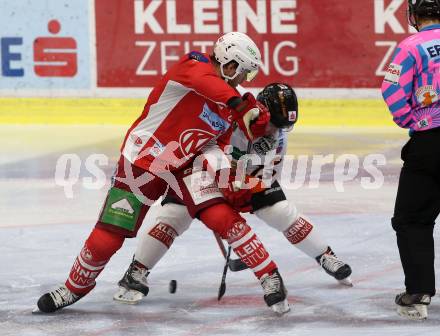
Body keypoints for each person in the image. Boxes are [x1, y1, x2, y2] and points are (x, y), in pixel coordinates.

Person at [36, 32, 280, 313]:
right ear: (229, 63)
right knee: (112, 232)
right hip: (145, 157)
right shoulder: (194, 64)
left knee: (218, 213)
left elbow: (218, 142)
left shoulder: (229, 103)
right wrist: (238, 104)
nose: (242, 81)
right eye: (242, 72)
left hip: (187, 163)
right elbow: (205, 83)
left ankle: (270, 275)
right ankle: (73, 288)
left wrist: (227, 169)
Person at [113, 83, 353, 311]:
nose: (275, 132)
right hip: (199, 171)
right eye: (274, 124)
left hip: (244, 180)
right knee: (173, 215)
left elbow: (266, 175)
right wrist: (219, 190)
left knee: (280, 210)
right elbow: (198, 148)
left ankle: (325, 255)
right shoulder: (227, 118)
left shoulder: (277, 136)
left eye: (282, 126)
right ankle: (136, 271)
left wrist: (237, 193)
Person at [381, 0, 440, 320]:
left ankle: (418, 292)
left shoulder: (411, 46)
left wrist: (411, 120)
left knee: (412, 219)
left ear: (415, 16)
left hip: (430, 143)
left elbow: (391, 88)